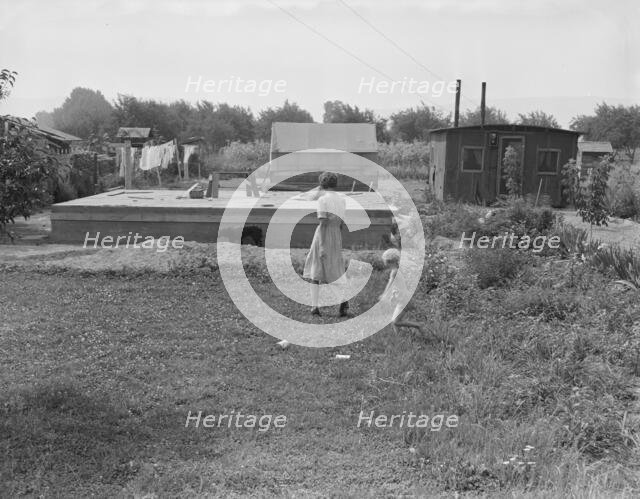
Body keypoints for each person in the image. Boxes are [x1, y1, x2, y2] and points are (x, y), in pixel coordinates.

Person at [303, 171, 349, 317]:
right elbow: (340, 222)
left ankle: (315, 305)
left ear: (322, 184)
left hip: (323, 235)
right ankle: (342, 299)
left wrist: (322, 245)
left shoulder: (323, 200)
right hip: (336, 235)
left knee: (316, 270)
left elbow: (323, 223)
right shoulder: (342, 200)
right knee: (334, 268)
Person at [378, 248, 427, 335]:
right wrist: (393, 295)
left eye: (385, 261)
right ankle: (399, 336)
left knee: (395, 321)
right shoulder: (399, 269)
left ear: (390, 261)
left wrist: (384, 294)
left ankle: (419, 325)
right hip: (401, 297)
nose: (384, 263)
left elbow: (390, 283)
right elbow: (398, 285)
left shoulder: (395, 271)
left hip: (403, 299)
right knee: (395, 318)